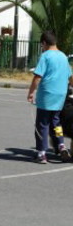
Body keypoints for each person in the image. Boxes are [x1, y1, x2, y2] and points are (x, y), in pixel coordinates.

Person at [27, 30, 73, 164]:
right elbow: (70, 77)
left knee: (42, 124)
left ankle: (41, 153)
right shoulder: (63, 56)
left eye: (42, 45)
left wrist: (31, 92)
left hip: (47, 95)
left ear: (44, 43)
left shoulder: (45, 56)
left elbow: (37, 77)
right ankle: (61, 145)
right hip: (60, 95)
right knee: (56, 122)